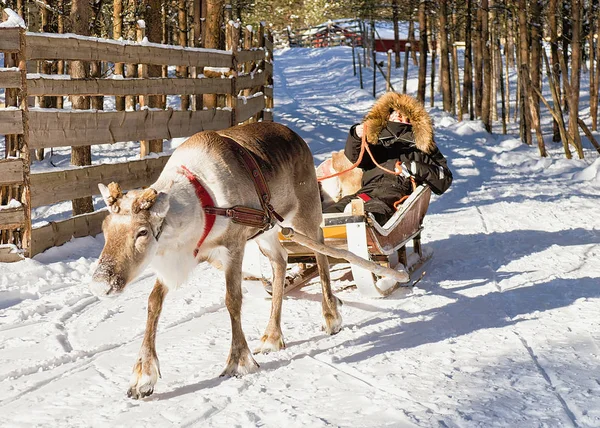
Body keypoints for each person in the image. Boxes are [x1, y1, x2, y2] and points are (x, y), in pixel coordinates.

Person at [323, 92, 453, 225]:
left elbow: (444, 178)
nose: (396, 114)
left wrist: (414, 167)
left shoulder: (421, 146)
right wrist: (356, 136)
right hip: (367, 191)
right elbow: (356, 158)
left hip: (396, 192)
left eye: (401, 113)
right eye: (393, 112)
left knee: (375, 209)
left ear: (411, 119)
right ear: (386, 116)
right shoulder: (376, 141)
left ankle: (364, 221)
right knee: (332, 212)